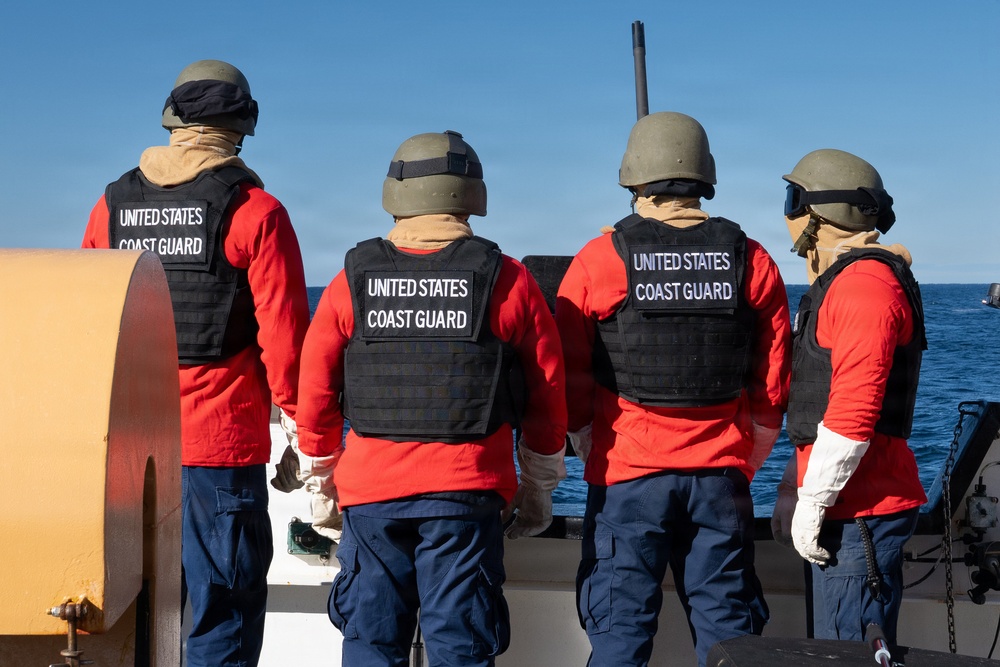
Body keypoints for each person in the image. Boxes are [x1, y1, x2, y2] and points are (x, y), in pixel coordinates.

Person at [295, 130, 567, 667]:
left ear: (395, 194)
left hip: (371, 502)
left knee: (371, 648)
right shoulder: (508, 279)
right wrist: (538, 491)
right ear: (472, 196)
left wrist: (322, 487)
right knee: (461, 650)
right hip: (466, 501)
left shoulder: (350, 280)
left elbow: (317, 394)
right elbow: (547, 396)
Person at [82, 59, 310, 667]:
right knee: (223, 609)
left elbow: (89, 321)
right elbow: (284, 339)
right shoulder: (257, 212)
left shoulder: (111, 206)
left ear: (172, 119)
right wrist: (304, 433)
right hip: (219, 447)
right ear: (243, 125)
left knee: (134, 608)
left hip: (127, 449)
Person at [556, 111, 791, 667]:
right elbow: (773, 380)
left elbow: (564, 374)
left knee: (618, 635)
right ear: (705, 175)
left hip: (627, 478)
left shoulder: (601, 257)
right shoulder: (750, 257)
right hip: (720, 480)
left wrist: (588, 446)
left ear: (634, 178)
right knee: (730, 635)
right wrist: (744, 460)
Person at [770, 148, 927, 643]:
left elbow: (854, 411)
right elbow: (817, 401)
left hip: (861, 515)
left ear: (823, 216)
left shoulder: (863, 288)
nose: (789, 214)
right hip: (846, 509)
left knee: (850, 652)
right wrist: (791, 488)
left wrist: (812, 502)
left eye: (795, 199)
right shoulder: (845, 283)